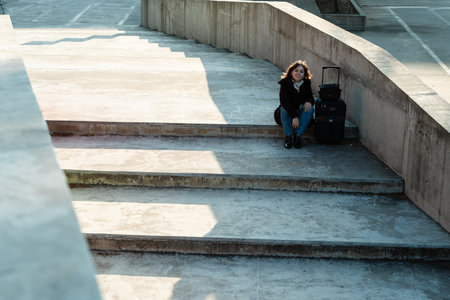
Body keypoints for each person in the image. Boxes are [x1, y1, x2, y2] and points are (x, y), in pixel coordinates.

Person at [278, 60, 315, 149]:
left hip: (299, 112)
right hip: (287, 113)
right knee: (284, 108)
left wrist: (308, 101)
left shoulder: (306, 83)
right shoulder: (285, 83)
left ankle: (298, 136)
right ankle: (288, 137)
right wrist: (294, 116)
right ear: (291, 72)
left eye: (301, 72)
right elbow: (284, 101)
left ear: (304, 74)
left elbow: (310, 97)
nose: (298, 73)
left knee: (310, 108)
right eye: (296, 71)